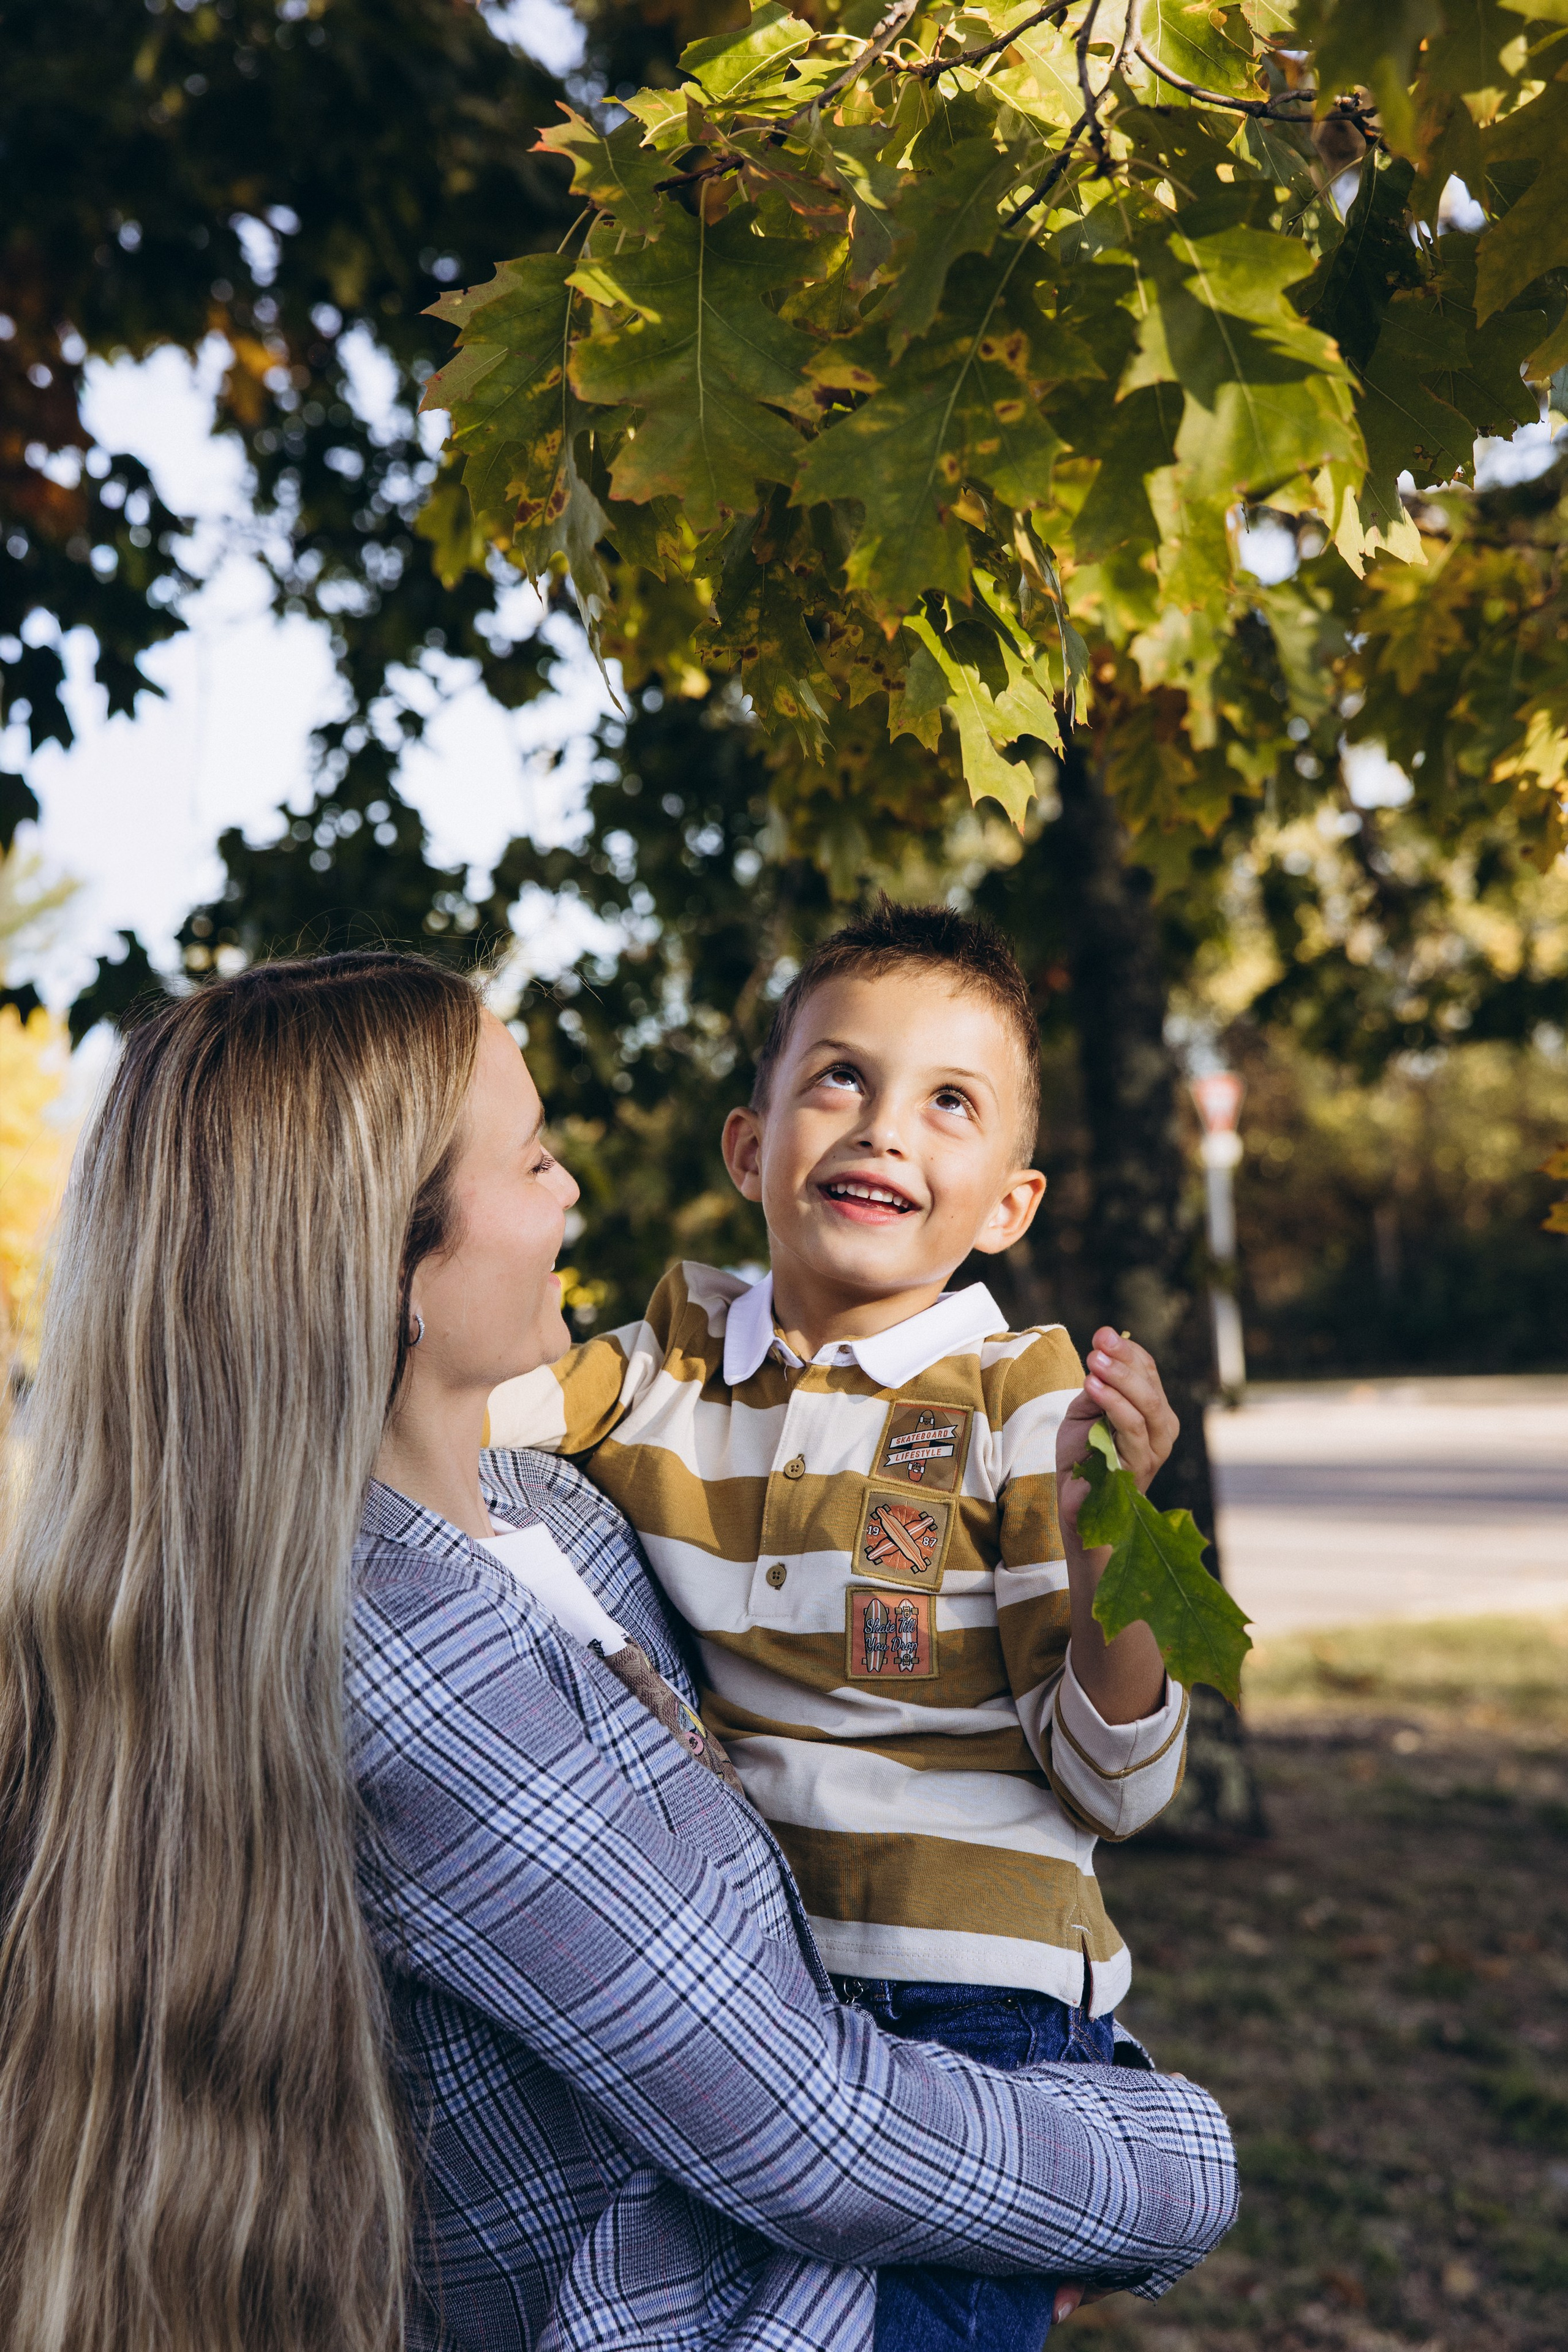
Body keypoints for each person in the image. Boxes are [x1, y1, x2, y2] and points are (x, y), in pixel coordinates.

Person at [0, 949, 1235, 2352]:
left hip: (931, 2087)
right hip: (752, 2296)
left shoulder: (554, 1508)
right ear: (380, 1253)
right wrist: (1172, 2161)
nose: (572, 1191)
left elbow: (1083, 1770)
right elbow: (811, 2139)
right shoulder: (409, 1650)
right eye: (529, 1162)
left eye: (951, 1102)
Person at [488, 901, 1191, 2351]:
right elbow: (451, 1418)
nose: (884, 1128)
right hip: (756, 2009)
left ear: (1005, 1203)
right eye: (839, 1079)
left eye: (949, 1103)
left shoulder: (1021, 1407)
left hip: (974, 2017)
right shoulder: (661, 1364)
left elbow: (1110, 1778)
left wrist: (1111, 1539)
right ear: (751, 1149)